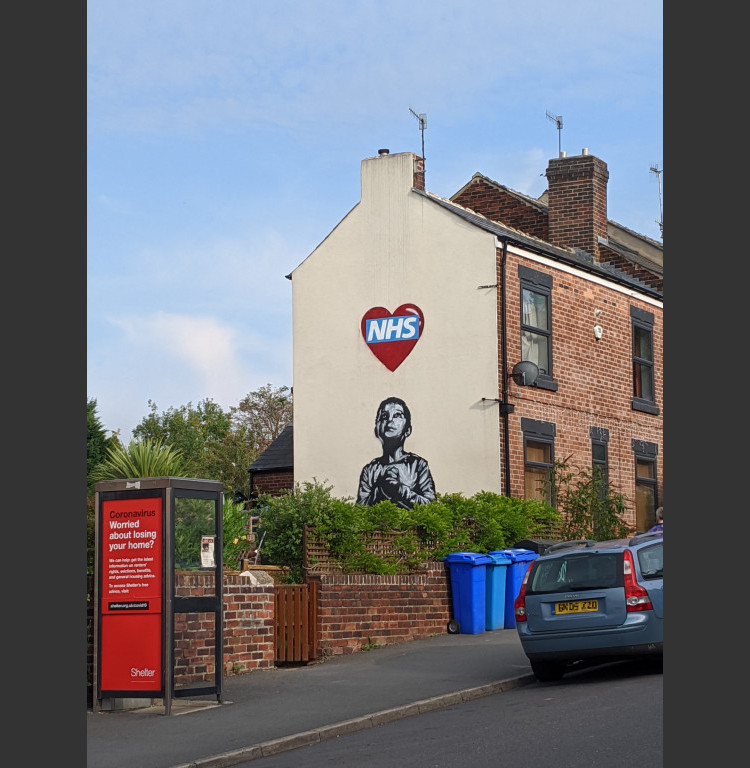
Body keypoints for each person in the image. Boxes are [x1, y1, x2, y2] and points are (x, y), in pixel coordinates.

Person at [357, 396, 436, 510]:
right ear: (376, 430)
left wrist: (400, 490)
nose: (390, 420)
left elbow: (431, 505)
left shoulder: (417, 465)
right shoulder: (370, 470)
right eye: (384, 416)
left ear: (408, 430)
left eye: (397, 415)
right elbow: (360, 510)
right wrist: (379, 490)